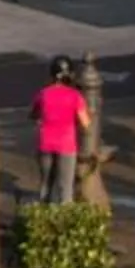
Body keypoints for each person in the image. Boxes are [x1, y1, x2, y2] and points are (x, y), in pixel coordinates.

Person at [30, 56, 91, 205]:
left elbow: (34, 114)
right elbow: (85, 123)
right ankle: (65, 222)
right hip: (66, 145)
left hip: (45, 143)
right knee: (65, 188)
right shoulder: (75, 96)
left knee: (45, 184)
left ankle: (42, 217)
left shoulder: (43, 93)